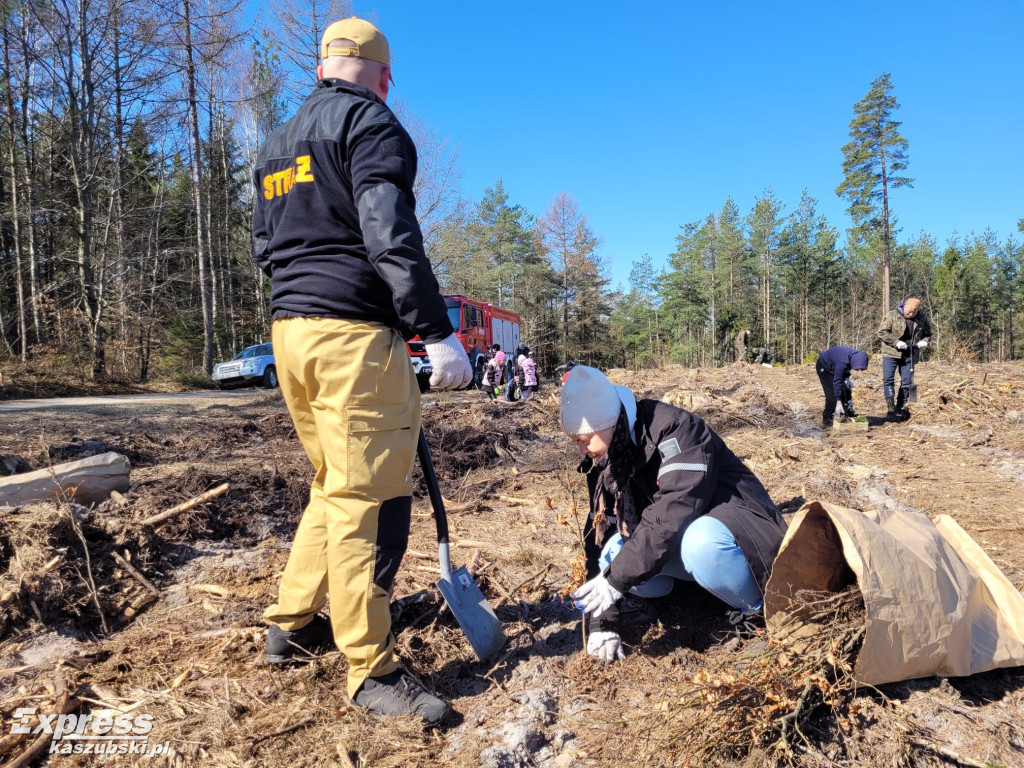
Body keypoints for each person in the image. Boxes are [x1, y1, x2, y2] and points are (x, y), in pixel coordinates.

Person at [251, 17, 473, 726]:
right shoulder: (371, 124)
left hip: (292, 335)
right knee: (366, 502)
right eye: (388, 79)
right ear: (383, 75)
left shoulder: (276, 143)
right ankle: (369, 669)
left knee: (332, 484)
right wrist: (436, 331)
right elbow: (389, 233)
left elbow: (264, 247)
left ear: (322, 68)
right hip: (352, 339)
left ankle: (291, 624)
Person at [562, 366, 787, 664]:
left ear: (608, 421)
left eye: (584, 439)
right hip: (680, 542)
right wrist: (602, 623)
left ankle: (758, 613)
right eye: (576, 442)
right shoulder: (605, 457)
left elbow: (674, 512)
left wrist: (617, 579)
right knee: (612, 552)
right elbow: (600, 531)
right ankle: (687, 600)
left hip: (741, 537)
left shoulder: (676, 429)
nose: (582, 451)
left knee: (699, 542)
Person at [877, 297, 931, 422]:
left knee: (907, 381)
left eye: (914, 312)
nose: (910, 314)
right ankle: (891, 409)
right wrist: (896, 342)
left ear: (918, 310)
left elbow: (927, 334)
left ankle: (901, 407)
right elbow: (881, 332)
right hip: (891, 352)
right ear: (904, 306)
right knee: (888, 380)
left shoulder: (922, 318)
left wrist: (924, 341)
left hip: (910, 353)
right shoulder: (892, 315)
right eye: (909, 311)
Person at [816, 346, 869, 428]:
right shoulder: (842, 362)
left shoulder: (855, 356)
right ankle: (827, 420)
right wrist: (838, 401)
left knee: (845, 390)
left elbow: (846, 369)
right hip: (824, 367)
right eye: (857, 369)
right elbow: (837, 381)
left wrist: (846, 378)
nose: (858, 371)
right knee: (832, 394)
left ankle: (846, 415)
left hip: (836, 365)